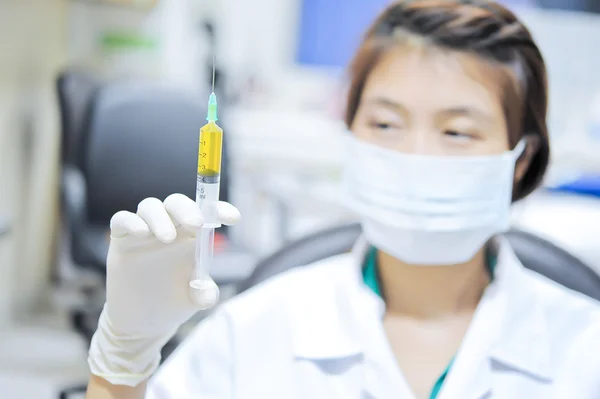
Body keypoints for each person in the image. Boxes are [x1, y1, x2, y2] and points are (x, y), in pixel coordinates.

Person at [85, 1, 600, 398]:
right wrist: (120, 364)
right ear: (350, 135)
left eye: (459, 132)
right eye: (385, 123)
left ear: (522, 158)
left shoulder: (586, 349)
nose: (416, 155)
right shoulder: (255, 328)